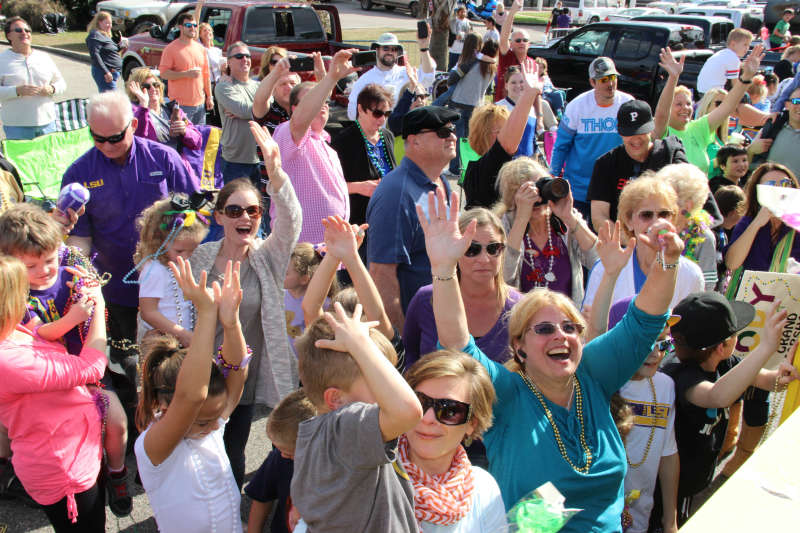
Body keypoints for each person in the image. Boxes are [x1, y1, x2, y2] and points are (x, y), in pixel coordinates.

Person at [420, 185, 683, 532]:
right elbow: (458, 346)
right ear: (520, 347)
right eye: (544, 329)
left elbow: (645, 319)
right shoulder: (507, 393)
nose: (560, 335)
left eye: (570, 327)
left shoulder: (592, 374)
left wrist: (668, 260)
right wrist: (443, 267)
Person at [61, 91, 198, 412]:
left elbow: (196, 213)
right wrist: (86, 280)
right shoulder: (79, 173)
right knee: (127, 364)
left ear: (133, 125)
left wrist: (183, 245)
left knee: (172, 358)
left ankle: (178, 416)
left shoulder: (164, 159)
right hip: (116, 290)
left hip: (168, 287)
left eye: (115, 137)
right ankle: (135, 426)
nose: (107, 145)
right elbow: (79, 240)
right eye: (98, 139)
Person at [0, 204, 132, 518]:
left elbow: (78, 263)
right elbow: (39, 333)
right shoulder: (14, 295)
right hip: (57, 373)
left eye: (49, 261)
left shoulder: (67, 267)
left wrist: (87, 289)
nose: (45, 271)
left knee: (117, 423)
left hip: (86, 364)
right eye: (32, 266)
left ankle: (117, 473)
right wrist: (76, 317)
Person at [190, 123, 301, 487]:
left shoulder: (267, 258)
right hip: (201, 376)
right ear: (219, 216)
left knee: (233, 451)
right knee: (197, 450)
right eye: (235, 211)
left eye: (253, 212)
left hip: (244, 380)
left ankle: (228, 514)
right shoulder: (199, 258)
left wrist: (275, 171)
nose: (245, 218)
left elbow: (291, 224)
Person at [662, 292, 799, 525]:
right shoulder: (679, 374)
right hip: (672, 485)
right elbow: (717, 396)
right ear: (723, 346)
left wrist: (782, 376)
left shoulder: (726, 362)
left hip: (698, 475)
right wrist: (765, 347)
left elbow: (763, 380)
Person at [134, 257, 247, 533]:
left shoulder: (212, 423)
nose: (214, 425)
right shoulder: (154, 446)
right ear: (163, 403)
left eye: (213, 418)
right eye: (201, 422)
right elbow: (191, 397)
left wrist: (231, 323)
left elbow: (237, 369)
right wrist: (206, 313)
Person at [291, 303, 423, 532]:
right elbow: (409, 412)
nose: (388, 387)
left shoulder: (314, 432)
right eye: (377, 380)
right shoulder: (346, 427)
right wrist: (359, 344)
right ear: (337, 399)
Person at [0, 254, 108, 531]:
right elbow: (91, 367)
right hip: (63, 472)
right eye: (20, 291)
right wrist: (99, 302)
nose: (27, 298)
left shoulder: (14, 329)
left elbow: (46, 336)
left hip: (79, 452)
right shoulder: (7, 361)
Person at [367, 106, 460, 329]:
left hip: (440, 321)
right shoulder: (396, 194)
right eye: (442, 132)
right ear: (415, 141)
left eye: (452, 129)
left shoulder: (439, 181)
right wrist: (400, 340)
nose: (453, 137)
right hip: (417, 330)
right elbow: (381, 274)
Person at [593, 296, 679, 533]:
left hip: (641, 517)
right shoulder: (598, 385)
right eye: (646, 343)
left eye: (663, 344)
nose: (656, 354)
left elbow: (668, 454)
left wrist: (670, 519)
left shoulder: (665, 386)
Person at [400, 351, 508, 532]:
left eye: (450, 411)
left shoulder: (483, 487)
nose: (427, 418)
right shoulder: (376, 476)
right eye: (420, 402)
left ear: (472, 423)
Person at [404, 208, 521, 368]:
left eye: (493, 248)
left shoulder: (520, 308)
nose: (484, 259)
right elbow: (409, 355)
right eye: (472, 249)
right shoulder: (425, 299)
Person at [583, 176, 704, 309]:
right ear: (629, 221)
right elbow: (589, 322)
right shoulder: (605, 267)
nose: (655, 222)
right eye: (646, 215)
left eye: (664, 214)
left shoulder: (691, 274)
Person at [273, 50, 355, 244]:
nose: (322, 104)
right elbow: (301, 120)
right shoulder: (288, 133)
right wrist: (331, 77)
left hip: (329, 247)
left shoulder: (326, 145)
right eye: (314, 100)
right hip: (302, 250)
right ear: (295, 109)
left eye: (324, 101)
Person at [494, 157, 598, 303]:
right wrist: (521, 219)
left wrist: (570, 218)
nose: (536, 199)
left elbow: (598, 261)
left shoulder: (564, 221)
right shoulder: (503, 226)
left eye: (539, 189)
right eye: (526, 192)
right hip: (522, 320)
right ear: (512, 198)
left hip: (567, 320)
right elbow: (502, 276)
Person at [654, 45, 764, 174]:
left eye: (688, 104)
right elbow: (661, 114)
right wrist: (673, 77)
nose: (685, 108)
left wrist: (746, 76)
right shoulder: (662, 131)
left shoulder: (698, 128)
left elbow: (727, 106)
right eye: (679, 104)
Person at [550, 56, 634, 220]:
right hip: (580, 188)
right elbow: (561, 145)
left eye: (613, 78)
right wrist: (552, 177)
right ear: (592, 82)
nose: (610, 84)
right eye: (603, 80)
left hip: (616, 187)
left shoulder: (628, 103)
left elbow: (637, 141)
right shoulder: (577, 106)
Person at [588, 98, 688, 230]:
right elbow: (599, 217)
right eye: (629, 133)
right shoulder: (605, 164)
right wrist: (633, 243)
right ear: (620, 132)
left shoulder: (671, 155)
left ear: (651, 128)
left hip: (665, 238)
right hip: (624, 243)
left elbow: (690, 198)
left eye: (641, 131)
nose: (636, 139)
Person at [135, 194, 211, 345]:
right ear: (160, 241)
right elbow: (148, 312)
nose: (186, 256)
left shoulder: (178, 263)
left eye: (192, 250)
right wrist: (181, 334)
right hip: (164, 343)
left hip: (182, 339)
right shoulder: (155, 270)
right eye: (180, 251)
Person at [462, 64, 541, 209]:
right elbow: (507, 145)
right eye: (503, 130)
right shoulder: (482, 168)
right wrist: (529, 93)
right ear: (487, 134)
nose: (512, 133)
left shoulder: (495, 166)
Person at [245, 389, 316, 533]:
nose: (283, 455)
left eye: (290, 453)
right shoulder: (280, 458)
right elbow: (261, 497)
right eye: (279, 449)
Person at [330, 83, 397, 228]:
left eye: (387, 114)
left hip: (388, 215)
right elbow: (328, 185)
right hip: (358, 221)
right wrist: (358, 187)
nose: (382, 119)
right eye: (378, 113)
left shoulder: (387, 136)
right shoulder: (343, 141)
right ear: (360, 109)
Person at [0, 16, 66, 140]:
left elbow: (61, 83)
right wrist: (16, 91)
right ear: (9, 36)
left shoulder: (44, 57)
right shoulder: (2, 60)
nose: (24, 33)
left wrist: (52, 89)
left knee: (48, 159)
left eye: (27, 30)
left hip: (48, 124)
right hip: (17, 126)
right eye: (19, 30)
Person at [347, 32, 436, 120]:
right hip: (378, 132)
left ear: (397, 53)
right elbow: (352, 113)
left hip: (405, 130)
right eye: (385, 48)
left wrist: (424, 48)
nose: (390, 52)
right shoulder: (364, 80)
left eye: (394, 49)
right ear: (377, 50)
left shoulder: (408, 73)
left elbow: (427, 76)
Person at [658, 164, 718, 290]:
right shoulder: (653, 227)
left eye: (669, 198)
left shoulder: (704, 237)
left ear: (687, 205)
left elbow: (706, 286)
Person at [215, 42, 263, 184]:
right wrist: (255, 110)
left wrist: (248, 111)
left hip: (261, 158)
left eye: (247, 56)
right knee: (236, 205)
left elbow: (268, 110)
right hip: (235, 161)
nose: (244, 59)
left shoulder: (259, 86)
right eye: (239, 56)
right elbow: (244, 110)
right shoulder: (224, 86)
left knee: (263, 205)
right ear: (229, 61)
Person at [126, 67, 203, 155]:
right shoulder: (134, 113)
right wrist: (143, 105)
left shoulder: (173, 110)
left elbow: (198, 142)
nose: (153, 89)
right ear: (136, 91)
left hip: (175, 162)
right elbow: (137, 142)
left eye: (156, 85)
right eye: (146, 87)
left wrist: (185, 131)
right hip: (153, 165)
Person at [158, 12, 212, 125]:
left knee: (199, 139)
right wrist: (185, 74)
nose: (192, 28)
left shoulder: (200, 49)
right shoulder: (171, 49)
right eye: (188, 25)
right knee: (183, 140)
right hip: (181, 105)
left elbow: (206, 75)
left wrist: (209, 97)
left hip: (200, 104)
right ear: (180, 27)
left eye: (194, 25)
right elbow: (163, 73)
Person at [284, 243, 328, 354]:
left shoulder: (322, 304)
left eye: (285, 273)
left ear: (304, 279)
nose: (279, 274)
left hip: (305, 361)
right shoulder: (279, 296)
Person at [495, 66, 545, 160]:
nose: (518, 86)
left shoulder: (531, 108)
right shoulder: (497, 108)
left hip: (527, 163)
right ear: (506, 85)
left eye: (521, 82)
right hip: (505, 163)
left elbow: (533, 141)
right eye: (513, 82)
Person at [494, 0, 536, 103]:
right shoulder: (507, 56)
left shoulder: (533, 63)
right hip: (503, 110)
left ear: (529, 44)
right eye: (518, 40)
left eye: (525, 40)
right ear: (511, 44)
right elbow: (504, 37)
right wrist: (512, 12)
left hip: (524, 110)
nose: (522, 43)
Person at [755, 87, 800, 176]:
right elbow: (748, 163)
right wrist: (751, 150)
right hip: (767, 187)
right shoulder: (772, 129)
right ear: (787, 105)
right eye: (797, 101)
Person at [696, 29, 753, 95]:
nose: (747, 48)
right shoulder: (733, 58)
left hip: (702, 89)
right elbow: (735, 84)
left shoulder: (724, 53)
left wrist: (742, 65)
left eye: (749, 45)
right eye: (745, 45)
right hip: (713, 93)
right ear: (733, 44)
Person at [86, 11, 125, 93]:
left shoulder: (104, 35)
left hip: (112, 72)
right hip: (104, 73)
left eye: (110, 23)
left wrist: (121, 45)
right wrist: (106, 72)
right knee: (111, 99)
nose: (109, 26)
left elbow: (110, 51)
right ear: (99, 22)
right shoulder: (95, 35)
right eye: (107, 23)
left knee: (109, 98)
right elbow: (95, 55)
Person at [449, 5, 472, 70]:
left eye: (464, 12)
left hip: (463, 49)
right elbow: (449, 33)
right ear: (458, 12)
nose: (463, 13)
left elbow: (470, 33)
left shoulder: (468, 22)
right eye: (461, 12)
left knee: (461, 67)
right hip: (454, 48)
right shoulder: (453, 21)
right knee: (452, 66)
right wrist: (455, 37)